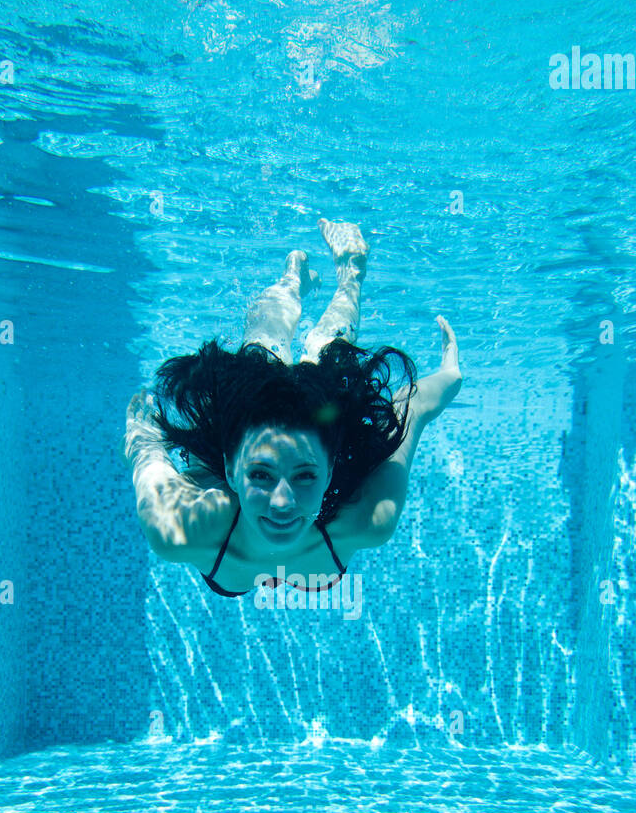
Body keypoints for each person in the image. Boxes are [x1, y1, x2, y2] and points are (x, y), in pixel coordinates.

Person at [125, 218, 462, 599]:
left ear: (331, 469)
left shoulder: (365, 520)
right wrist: (143, 437)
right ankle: (293, 280)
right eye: (261, 475)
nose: (283, 503)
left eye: (304, 476)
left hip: (304, 438)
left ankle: (351, 273)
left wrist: (451, 375)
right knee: (267, 346)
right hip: (248, 450)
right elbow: (147, 452)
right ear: (232, 471)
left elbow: (411, 409)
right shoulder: (179, 526)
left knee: (324, 349)